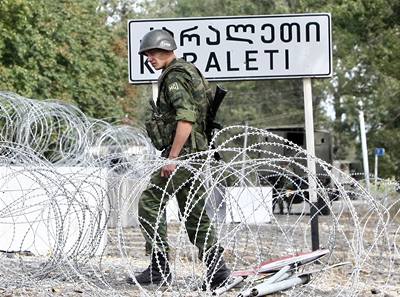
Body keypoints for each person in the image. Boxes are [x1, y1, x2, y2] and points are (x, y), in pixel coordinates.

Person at [126, 29, 230, 291]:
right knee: (194, 213)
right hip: (194, 152)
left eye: (154, 52)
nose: (150, 57)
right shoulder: (187, 70)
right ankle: (218, 270)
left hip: (183, 153)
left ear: (167, 49)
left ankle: (159, 268)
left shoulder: (174, 77)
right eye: (147, 54)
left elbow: (186, 118)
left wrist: (172, 158)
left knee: (150, 202)